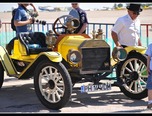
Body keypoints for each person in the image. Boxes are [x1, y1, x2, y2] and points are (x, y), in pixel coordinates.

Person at [145, 44, 152, 109]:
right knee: (150, 87)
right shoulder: (150, 46)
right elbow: (148, 58)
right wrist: (147, 67)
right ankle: (150, 102)